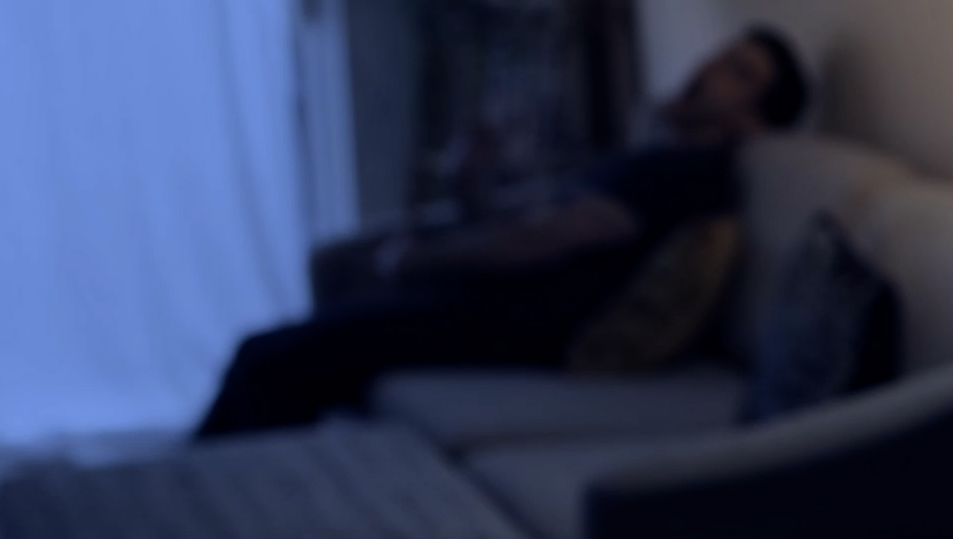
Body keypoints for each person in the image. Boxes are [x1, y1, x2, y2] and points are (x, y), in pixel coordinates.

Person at [194, 27, 809, 435]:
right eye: (720, 53)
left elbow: (553, 239)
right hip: (494, 307)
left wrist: (423, 261)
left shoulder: (694, 172)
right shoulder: (657, 154)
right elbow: (535, 230)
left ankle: (207, 511)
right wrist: (473, 185)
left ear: (753, 122)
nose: (708, 67)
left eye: (738, 72)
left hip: (515, 328)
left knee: (268, 360)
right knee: (289, 352)